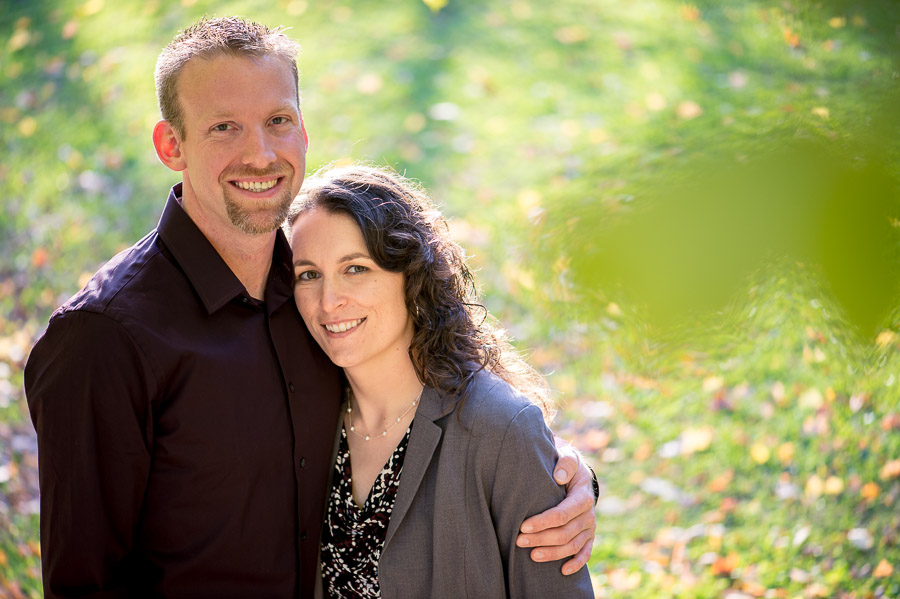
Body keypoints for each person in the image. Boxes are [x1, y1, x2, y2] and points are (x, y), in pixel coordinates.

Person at [23, 16, 597, 598]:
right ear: (172, 145)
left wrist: (554, 474)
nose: (260, 153)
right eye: (224, 127)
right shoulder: (103, 339)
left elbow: (436, 394)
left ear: (303, 131)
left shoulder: (312, 296)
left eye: (278, 121)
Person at [286, 164, 595, 598]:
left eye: (355, 268)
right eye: (308, 274)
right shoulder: (303, 419)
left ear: (410, 273)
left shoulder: (500, 431)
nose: (329, 301)